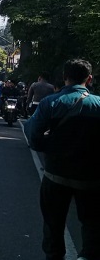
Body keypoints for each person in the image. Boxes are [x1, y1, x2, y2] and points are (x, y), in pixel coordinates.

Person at [24, 59, 100, 260]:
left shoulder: (51, 103)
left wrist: (47, 148)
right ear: (89, 79)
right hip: (90, 179)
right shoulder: (98, 105)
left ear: (65, 77)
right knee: (92, 223)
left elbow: (32, 134)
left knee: (53, 224)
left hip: (56, 175)